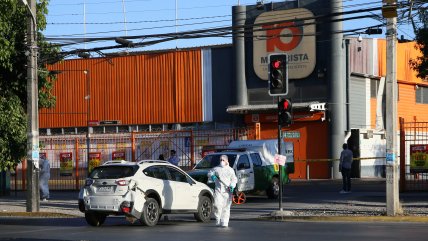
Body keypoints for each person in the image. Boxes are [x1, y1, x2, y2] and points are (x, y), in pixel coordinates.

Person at [207, 155, 237, 228]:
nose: (222, 161)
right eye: (221, 160)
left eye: (223, 160)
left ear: (227, 161)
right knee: (217, 204)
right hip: (218, 190)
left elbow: (234, 179)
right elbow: (209, 173)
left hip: (227, 191)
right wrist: (212, 176)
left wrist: (232, 186)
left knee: (226, 207)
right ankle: (218, 218)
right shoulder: (216, 169)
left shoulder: (230, 170)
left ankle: (224, 221)